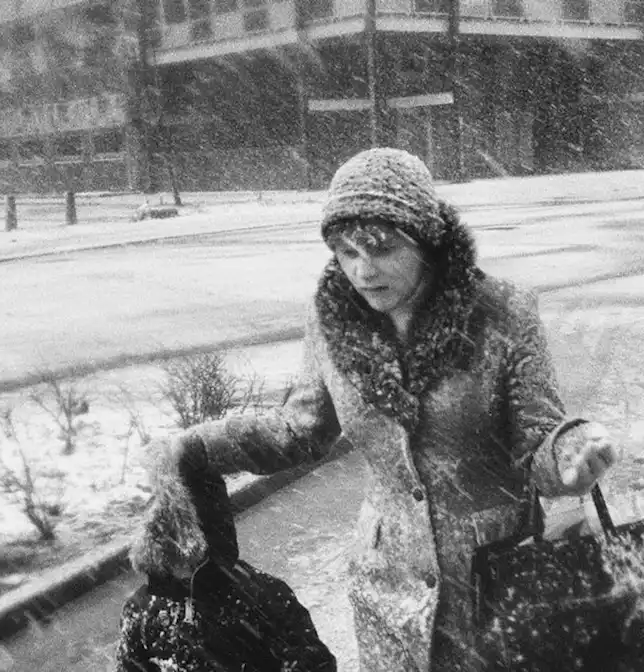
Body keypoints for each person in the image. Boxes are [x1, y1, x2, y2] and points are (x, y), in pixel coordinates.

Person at [149, 147, 619, 671]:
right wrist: (196, 445)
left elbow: (538, 441)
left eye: (382, 248)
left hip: (496, 585)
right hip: (386, 585)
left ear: (426, 241)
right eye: (347, 251)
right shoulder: (331, 322)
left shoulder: (502, 313)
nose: (362, 270)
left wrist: (569, 452)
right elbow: (300, 431)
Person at [117, 450, 336, 671]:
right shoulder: (142, 611)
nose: (176, 558)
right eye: (166, 537)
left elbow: (315, 661)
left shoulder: (261, 596)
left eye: (181, 537)